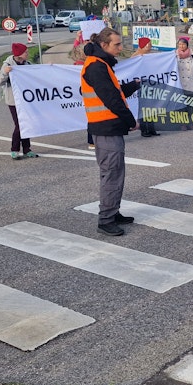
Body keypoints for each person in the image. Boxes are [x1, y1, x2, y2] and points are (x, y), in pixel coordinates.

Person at [81, 27, 140, 236]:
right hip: (105, 128)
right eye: (117, 44)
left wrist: (132, 86)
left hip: (108, 128)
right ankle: (106, 219)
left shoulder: (102, 64)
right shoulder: (96, 67)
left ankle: (113, 212)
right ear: (104, 45)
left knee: (115, 173)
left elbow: (114, 93)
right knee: (111, 174)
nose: (120, 48)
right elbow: (111, 99)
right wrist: (131, 120)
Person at [0, 42, 39, 160]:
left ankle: (26, 149)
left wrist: (49, 67)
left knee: (26, 124)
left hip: (26, 100)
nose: (28, 54)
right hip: (13, 101)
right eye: (26, 52)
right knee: (20, 125)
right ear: (19, 54)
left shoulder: (27, 64)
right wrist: (5, 72)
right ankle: (14, 149)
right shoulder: (8, 65)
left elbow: (37, 72)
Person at [134, 37, 160, 137]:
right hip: (141, 85)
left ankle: (152, 128)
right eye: (147, 44)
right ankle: (144, 129)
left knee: (152, 107)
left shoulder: (150, 56)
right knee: (144, 108)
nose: (149, 46)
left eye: (150, 44)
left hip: (150, 84)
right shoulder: (136, 56)